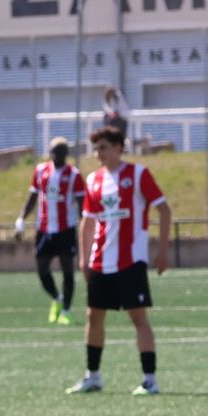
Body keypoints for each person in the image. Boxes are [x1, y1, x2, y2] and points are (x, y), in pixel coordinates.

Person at [68, 125, 171, 396]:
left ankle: (150, 379)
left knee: (138, 317)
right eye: (95, 147)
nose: (97, 153)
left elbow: (163, 209)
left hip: (130, 259)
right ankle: (93, 376)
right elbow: (88, 222)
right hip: (101, 260)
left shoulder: (138, 175)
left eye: (103, 147)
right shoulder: (93, 181)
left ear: (118, 147)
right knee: (94, 315)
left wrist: (162, 250)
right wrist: (84, 258)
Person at [14, 136, 87, 324]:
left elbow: (81, 204)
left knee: (68, 272)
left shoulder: (74, 175)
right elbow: (32, 197)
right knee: (42, 269)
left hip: (66, 229)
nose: (55, 155)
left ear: (66, 154)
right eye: (53, 151)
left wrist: (85, 228)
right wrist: (21, 219)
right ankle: (58, 298)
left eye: (59, 152)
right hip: (44, 230)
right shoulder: (40, 171)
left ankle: (66, 312)